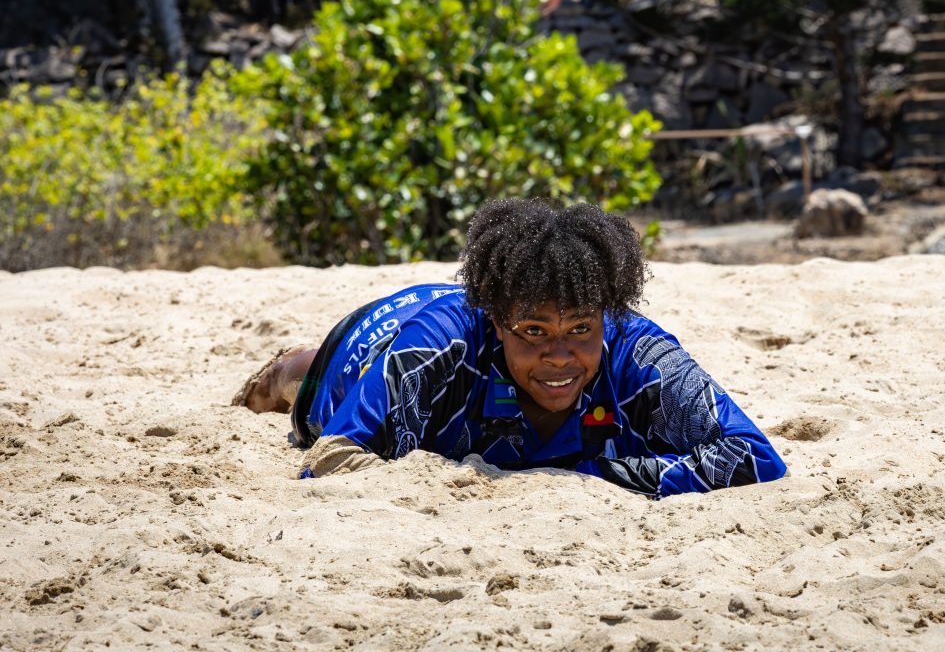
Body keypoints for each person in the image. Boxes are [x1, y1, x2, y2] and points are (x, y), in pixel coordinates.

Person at [237, 199, 786, 498]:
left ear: (606, 316)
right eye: (534, 332)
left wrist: (588, 478)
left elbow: (757, 458)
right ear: (498, 323)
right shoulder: (437, 348)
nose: (558, 357)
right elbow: (330, 460)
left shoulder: (638, 350)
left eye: (579, 329)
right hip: (379, 335)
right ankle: (291, 367)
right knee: (306, 390)